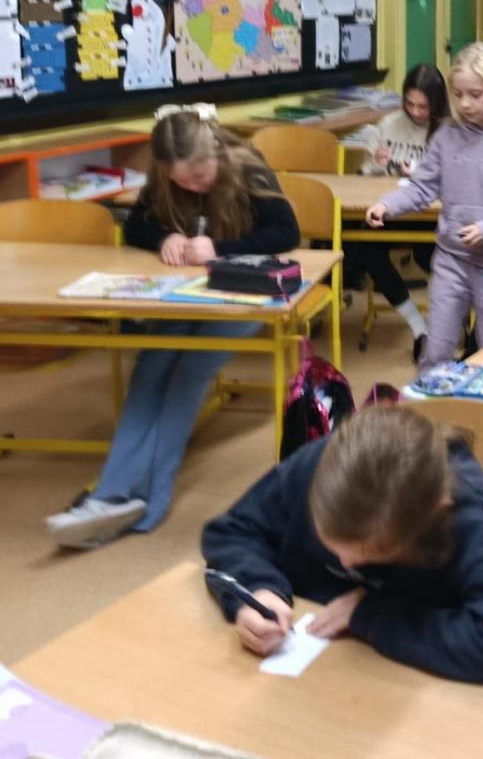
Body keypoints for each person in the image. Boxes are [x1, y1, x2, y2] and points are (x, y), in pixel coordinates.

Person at [46, 104, 299, 548]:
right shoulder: (167, 176)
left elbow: (286, 232)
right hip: (184, 294)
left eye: (199, 177)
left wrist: (220, 249)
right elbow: (136, 226)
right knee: (151, 367)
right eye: (182, 181)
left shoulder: (246, 165)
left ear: (213, 153)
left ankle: (145, 499)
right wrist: (165, 237)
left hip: (241, 295)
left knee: (188, 374)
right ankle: (111, 495)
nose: (193, 187)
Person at [201, 406, 483, 686]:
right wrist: (259, 589)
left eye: (369, 553)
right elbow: (233, 531)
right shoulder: (320, 468)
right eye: (329, 541)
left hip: (407, 679)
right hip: (306, 665)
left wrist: (370, 614)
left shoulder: (463, 517)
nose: (345, 562)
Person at [367, 44, 483, 368]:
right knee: (436, 351)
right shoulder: (446, 136)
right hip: (451, 259)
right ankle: (429, 398)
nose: (464, 103)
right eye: (458, 94)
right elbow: (423, 185)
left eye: (476, 94)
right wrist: (387, 205)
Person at [345, 64, 448, 361]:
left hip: (431, 215)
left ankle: (445, 322)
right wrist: (376, 164)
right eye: (410, 104)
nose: (415, 112)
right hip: (392, 208)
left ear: (437, 103)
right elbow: (367, 175)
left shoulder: (448, 129)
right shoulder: (389, 124)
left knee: (434, 257)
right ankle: (418, 328)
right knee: (368, 250)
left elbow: (455, 178)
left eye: (423, 106)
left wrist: (421, 172)